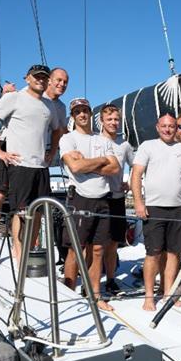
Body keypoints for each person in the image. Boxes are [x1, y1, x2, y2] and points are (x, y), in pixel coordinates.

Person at [0, 69, 68, 265]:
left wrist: (52, 153)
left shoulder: (57, 107)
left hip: (38, 160)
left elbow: (58, 130)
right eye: (57, 80)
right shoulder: (19, 96)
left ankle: (22, 247)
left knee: (36, 208)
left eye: (65, 81)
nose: (61, 84)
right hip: (10, 148)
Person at [59, 98, 120, 312]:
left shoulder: (102, 140)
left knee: (97, 250)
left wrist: (88, 163)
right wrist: (101, 160)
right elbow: (74, 167)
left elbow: (115, 169)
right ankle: (67, 294)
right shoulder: (68, 139)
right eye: (77, 112)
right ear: (72, 116)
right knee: (75, 250)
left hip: (102, 199)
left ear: (90, 114)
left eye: (85, 110)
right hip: (80, 198)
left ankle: (95, 295)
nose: (82, 114)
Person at [131, 114, 181, 311]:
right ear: (158, 127)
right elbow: (136, 175)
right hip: (154, 207)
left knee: (174, 252)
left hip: (179, 207)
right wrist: (139, 203)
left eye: (172, 126)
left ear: (176, 128)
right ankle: (149, 296)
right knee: (153, 253)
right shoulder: (147, 146)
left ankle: (168, 293)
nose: (168, 129)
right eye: (164, 126)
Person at [100, 104, 135, 297]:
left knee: (113, 242)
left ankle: (111, 280)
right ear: (102, 121)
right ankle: (92, 280)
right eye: (109, 119)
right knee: (94, 244)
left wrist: (128, 182)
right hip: (96, 197)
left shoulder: (124, 144)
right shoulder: (94, 141)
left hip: (117, 198)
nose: (113, 123)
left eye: (116, 119)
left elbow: (136, 166)